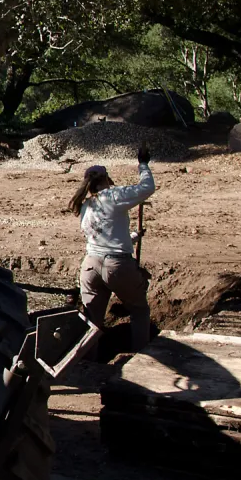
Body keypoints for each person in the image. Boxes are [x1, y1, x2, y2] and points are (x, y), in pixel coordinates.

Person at [69, 145, 156, 352]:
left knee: (92, 321)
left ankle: (87, 364)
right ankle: (140, 356)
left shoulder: (85, 205)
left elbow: (101, 235)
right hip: (117, 265)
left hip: (90, 266)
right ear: (106, 179)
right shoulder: (113, 195)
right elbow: (147, 188)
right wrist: (143, 164)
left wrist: (132, 237)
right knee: (139, 311)